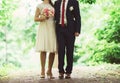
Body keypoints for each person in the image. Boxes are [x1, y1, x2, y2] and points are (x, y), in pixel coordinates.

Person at [54, 0, 81, 79]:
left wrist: (77, 30)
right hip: (59, 29)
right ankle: (61, 71)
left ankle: (68, 71)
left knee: (70, 50)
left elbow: (78, 17)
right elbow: (55, 16)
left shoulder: (74, 2)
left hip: (71, 30)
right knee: (61, 50)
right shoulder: (57, 3)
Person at [34, 0, 57, 79]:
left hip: (52, 27)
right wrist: (43, 17)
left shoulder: (53, 5)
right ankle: (42, 70)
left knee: (53, 50)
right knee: (43, 49)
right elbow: (35, 18)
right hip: (44, 27)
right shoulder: (39, 6)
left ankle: (49, 70)